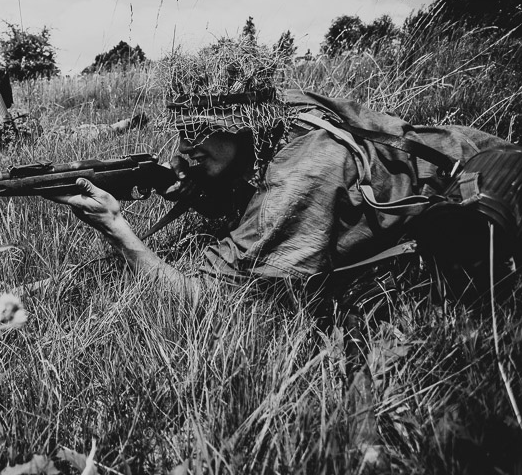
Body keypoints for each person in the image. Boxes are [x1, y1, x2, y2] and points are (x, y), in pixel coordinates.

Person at [52, 72, 517, 307]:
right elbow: (245, 180)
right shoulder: (278, 111)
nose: (184, 149)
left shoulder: (301, 174)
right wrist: (200, 189)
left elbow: (211, 301)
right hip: (467, 147)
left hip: (495, 185)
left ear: (243, 125)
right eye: (183, 130)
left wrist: (117, 229)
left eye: (200, 132)